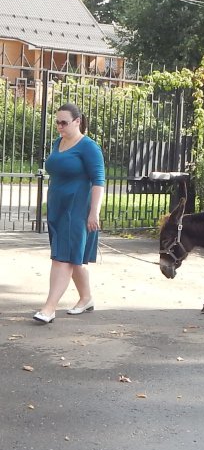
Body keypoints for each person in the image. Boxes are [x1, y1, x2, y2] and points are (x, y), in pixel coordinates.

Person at [33, 103, 105, 324]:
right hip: (58, 207)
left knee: (62, 257)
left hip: (77, 210)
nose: (59, 127)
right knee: (73, 257)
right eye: (57, 122)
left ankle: (49, 308)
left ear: (77, 121)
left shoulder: (89, 147)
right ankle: (86, 298)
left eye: (64, 122)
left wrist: (94, 213)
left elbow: (99, 181)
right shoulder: (59, 142)